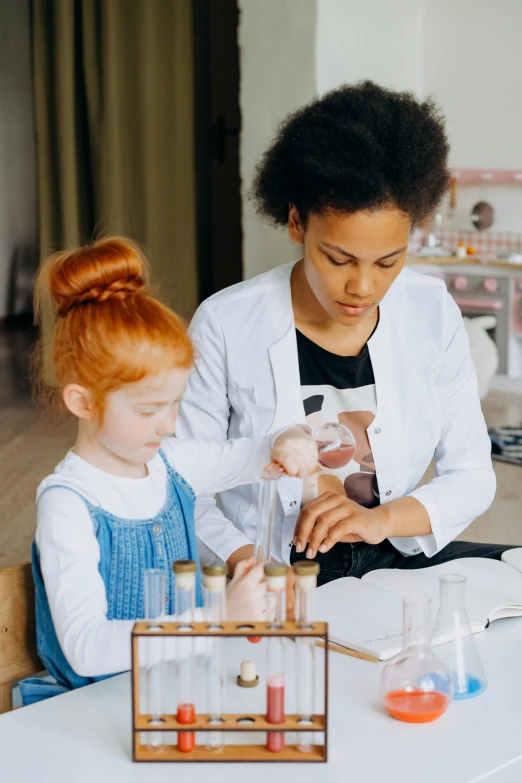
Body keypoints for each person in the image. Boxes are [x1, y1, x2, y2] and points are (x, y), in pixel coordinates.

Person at [178, 81, 516, 587]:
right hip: (278, 567)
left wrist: (380, 520)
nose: (363, 287)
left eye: (388, 261)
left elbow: (471, 475)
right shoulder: (227, 323)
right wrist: (250, 564)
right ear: (296, 223)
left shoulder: (430, 310)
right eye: (338, 259)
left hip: (393, 550)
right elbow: (186, 485)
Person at [19, 237, 317, 705]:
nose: (170, 423)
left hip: (177, 691)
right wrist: (217, 618)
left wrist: (289, 438)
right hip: (90, 705)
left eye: (175, 403)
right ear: (82, 401)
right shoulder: (67, 503)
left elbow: (253, 454)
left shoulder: (168, 462)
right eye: (148, 409)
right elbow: (86, 649)